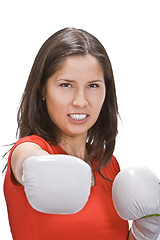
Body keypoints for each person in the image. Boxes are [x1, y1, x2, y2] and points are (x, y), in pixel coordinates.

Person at [3, 27, 140, 240]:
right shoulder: (30, 150)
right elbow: (26, 159)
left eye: (93, 85)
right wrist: (40, 166)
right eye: (66, 85)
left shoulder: (109, 165)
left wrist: (144, 232)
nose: (81, 101)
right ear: (42, 89)